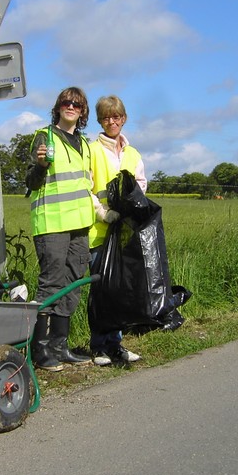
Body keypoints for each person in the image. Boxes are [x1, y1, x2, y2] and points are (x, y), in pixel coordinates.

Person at [25, 87, 95, 371]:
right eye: (66, 102)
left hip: (80, 225)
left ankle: (59, 346)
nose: (71, 107)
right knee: (51, 285)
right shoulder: (45, 137)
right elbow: (30, 182)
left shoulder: (85, 144)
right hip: (52, 223)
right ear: (57, 107)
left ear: (83, 111)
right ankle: (39, 350)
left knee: (73, 284)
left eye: (77, 104)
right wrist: (41, 165)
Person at [88, 95, 147, 366]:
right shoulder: (92, 150)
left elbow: (141, 185)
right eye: (106, 117)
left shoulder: (133, 153)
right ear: (100, 121)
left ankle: (116, 345)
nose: (112, 121)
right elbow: (86, 188)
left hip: (124, 233)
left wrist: (130, 208)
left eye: (116, 117)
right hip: (99, 232)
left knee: (120, 291)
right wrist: (103, 213)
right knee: (101, 291)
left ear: (124, 118)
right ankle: (99, 346)